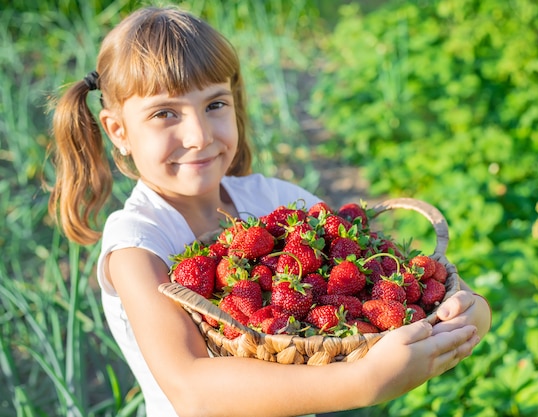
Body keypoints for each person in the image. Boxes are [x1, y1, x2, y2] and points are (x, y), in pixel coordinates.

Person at [47, 6, 491, 417]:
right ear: (118, 131)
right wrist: (366, 380)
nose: (199, 135)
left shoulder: (272, 200)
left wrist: (467, 313)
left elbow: (398, 271)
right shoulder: (138, 242)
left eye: (214, 104)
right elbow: (191, 388)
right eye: (165, 114)